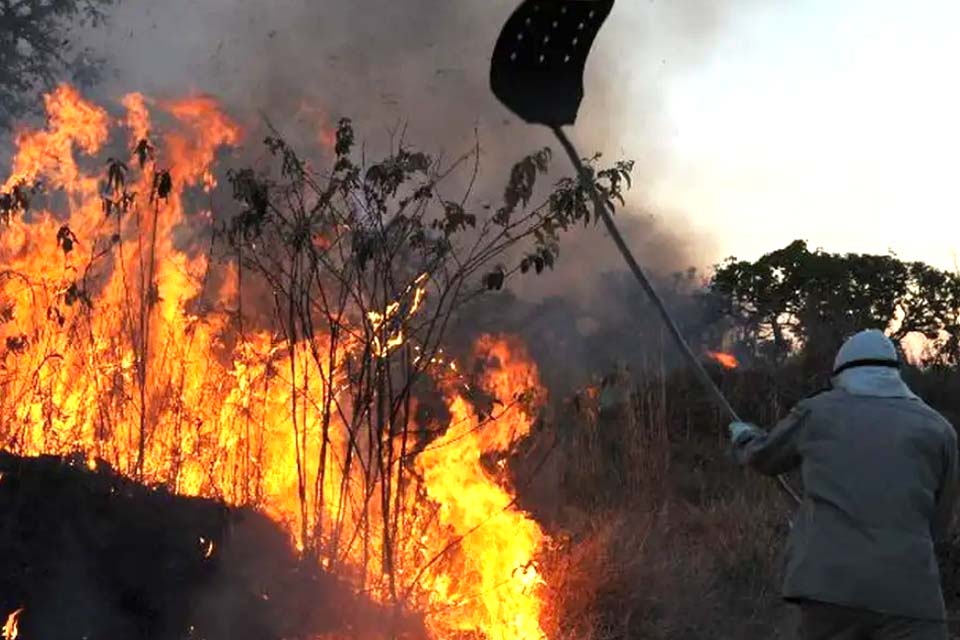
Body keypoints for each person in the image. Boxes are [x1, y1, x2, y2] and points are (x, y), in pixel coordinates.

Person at [730, 329, 959, 640]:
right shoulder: (938, 429)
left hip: (829, 590)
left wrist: (744, 438)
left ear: (842, 373)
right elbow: (939, 522)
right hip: (911, 597)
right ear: (895, 373)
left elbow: (765, 457)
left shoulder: (816, 412)